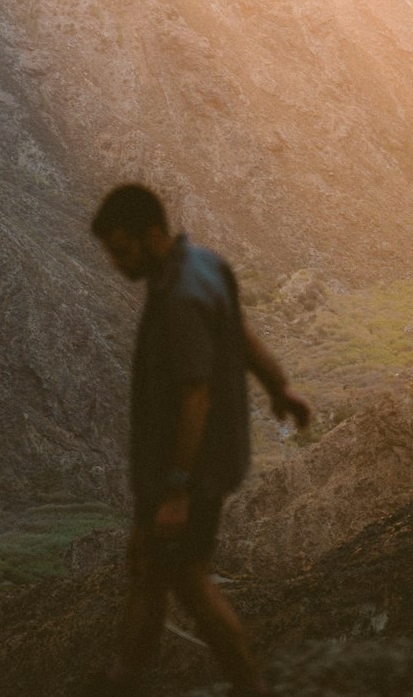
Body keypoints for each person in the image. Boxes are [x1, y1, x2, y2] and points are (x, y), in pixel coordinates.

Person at [89, 183, 311, 697]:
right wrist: (281, 387)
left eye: (123, 251)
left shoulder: (179, 299)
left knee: (187, 580)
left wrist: (176, 491)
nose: (118, 265)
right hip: (195, 466)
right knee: (147, 569)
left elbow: (195, 397)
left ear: (150, 235)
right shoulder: (205, 265)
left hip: (189, 470)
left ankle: (249, 686)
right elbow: (241, 333)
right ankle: (122, 677)